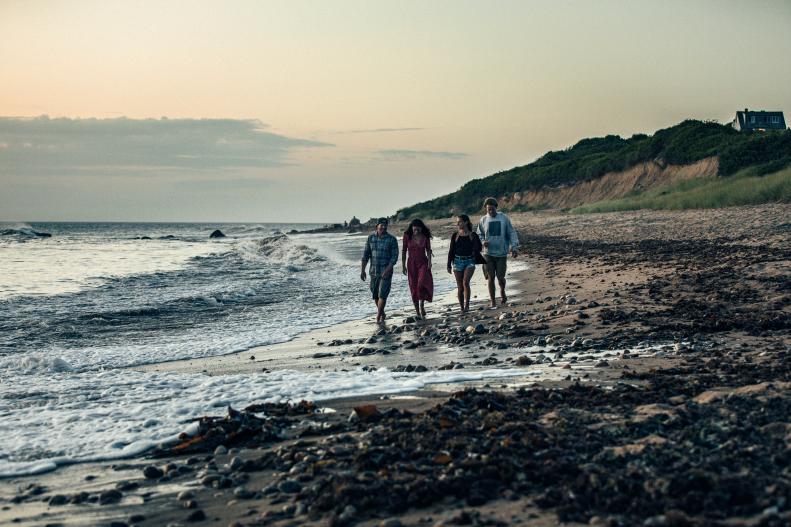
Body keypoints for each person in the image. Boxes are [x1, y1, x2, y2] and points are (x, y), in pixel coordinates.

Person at [476, 197, 519, 307]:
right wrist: (482, 242)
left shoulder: (503, 218)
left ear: (496, 207)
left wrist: (514, 247)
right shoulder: (483, 220)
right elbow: (479, 234)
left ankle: (502, 291)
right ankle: (493, 301)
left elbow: (511, 233)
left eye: (492, 209)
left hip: (501, 253)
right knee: (491, 278)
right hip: (488, 253)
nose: (490, 212)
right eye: (488, 210)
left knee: (500, 277)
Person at [361, 217, 399, 323]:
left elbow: (394, 257)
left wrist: (389, 268)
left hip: (386, 271)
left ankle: (378, 316)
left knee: (383, 294)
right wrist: (362, 270)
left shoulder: (392, 239)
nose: (383, 227)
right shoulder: (370, 238)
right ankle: (382, 312)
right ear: (376, 226)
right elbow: (365, 255)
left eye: (385, 225)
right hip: (373, 271)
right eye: (381, 225)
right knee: (375, 294)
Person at [447, 214, 483, 313]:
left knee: (465, 282)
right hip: (457, 261)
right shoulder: (455, 235)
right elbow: (451, 250)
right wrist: (448, 264)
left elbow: (479, 248)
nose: (458, 224)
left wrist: (474, 245)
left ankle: (467, 305)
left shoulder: (473, 235)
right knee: (460, 286)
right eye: (457, 222)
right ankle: (462, 307)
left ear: (466, 222)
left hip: (469, 261)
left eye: (460, 222)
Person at [401, 219, 434, 319]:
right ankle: (417, 311)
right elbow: (403, 250)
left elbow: (428, 250)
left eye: (418, 227)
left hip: (423, 262)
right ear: (412, 227)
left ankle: (422, 304)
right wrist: (403, 265)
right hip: (411, 264)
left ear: (421, 227)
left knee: (421, 282)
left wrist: (429, 262)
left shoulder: (425, 237)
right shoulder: (407, 236)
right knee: (413, 286)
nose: (416, 229)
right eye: (414, 227)